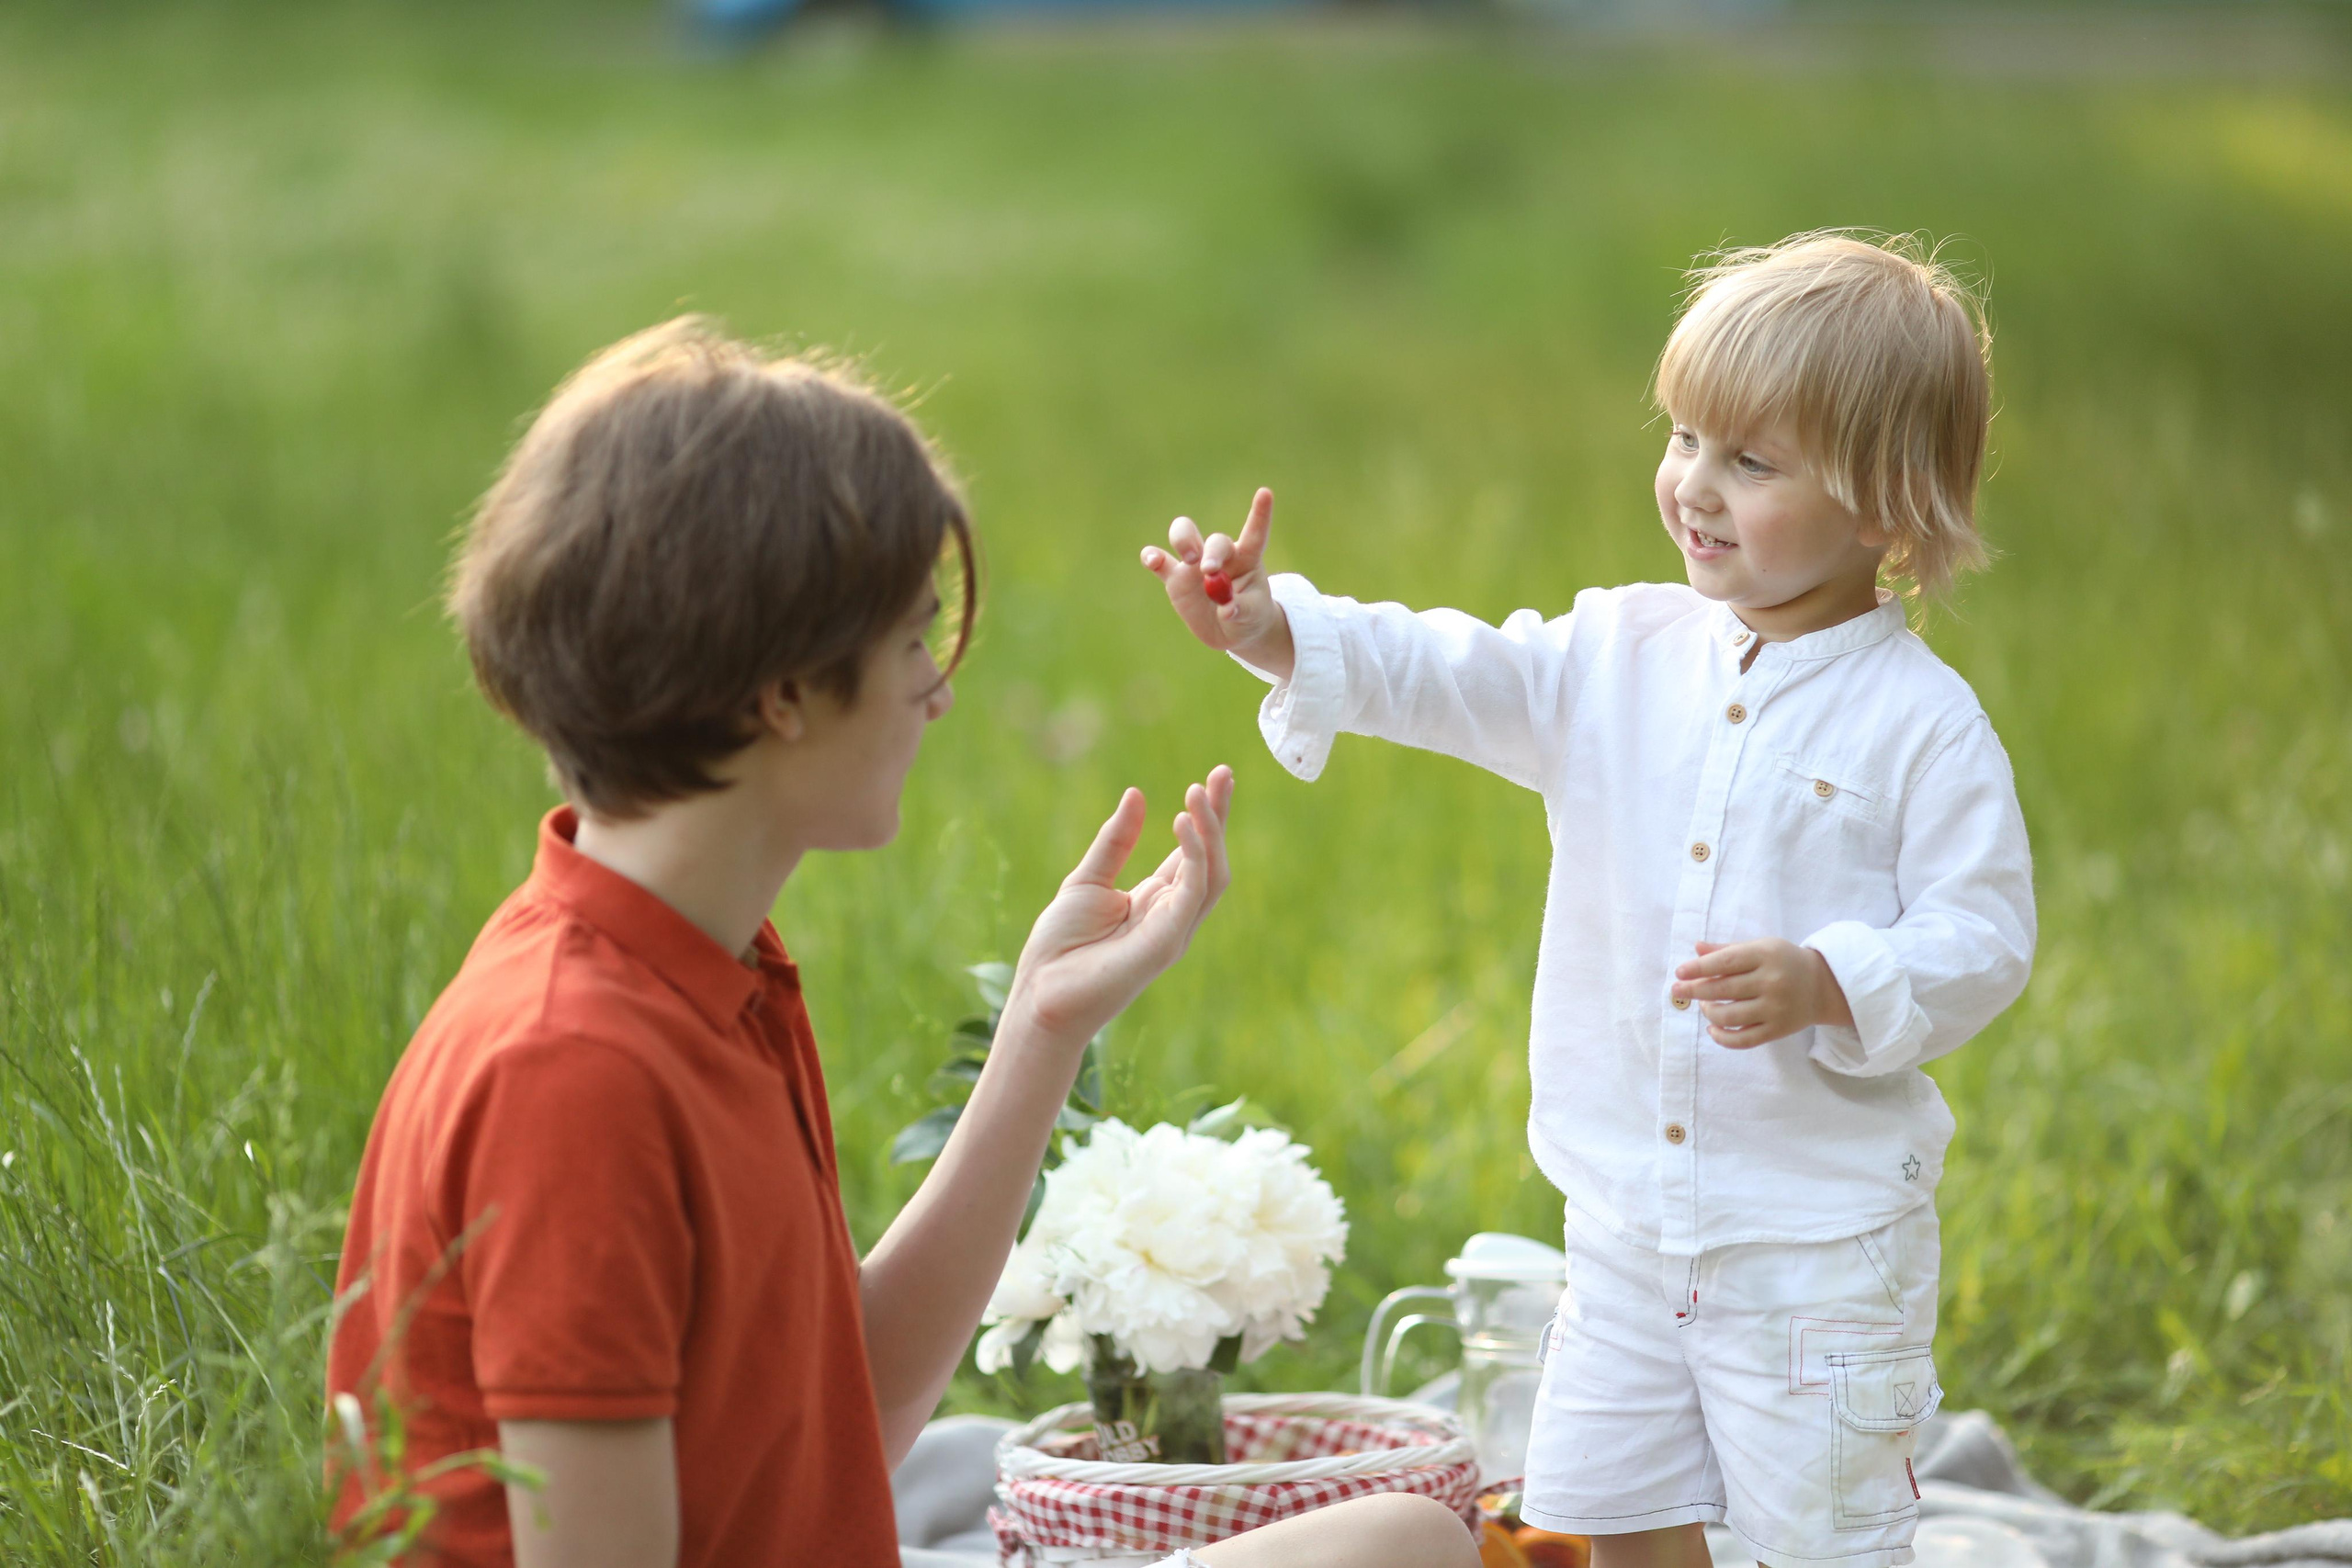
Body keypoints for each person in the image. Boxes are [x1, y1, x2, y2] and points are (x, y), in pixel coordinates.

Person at [325, 318, 1476, 1568]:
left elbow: (845, 1421)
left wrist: (1043, 1025)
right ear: (781, 694)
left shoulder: (711, 971)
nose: (938, 688)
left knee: (1399, 1536)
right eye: (914, 640)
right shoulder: (573, 1070)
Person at [1144, 232, 2037, 1568]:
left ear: (1884, 508)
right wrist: (1274, 628)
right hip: (1622, 1225)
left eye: (1751, 460)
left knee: (1826, 1543)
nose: (1694, 485)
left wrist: (1832, 979)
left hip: (1816, 1252)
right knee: (1608, 1520)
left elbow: (1982, 939)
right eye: (1683, 439)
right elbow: (1445, 669)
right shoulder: (1620, 653)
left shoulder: (1923, 727)